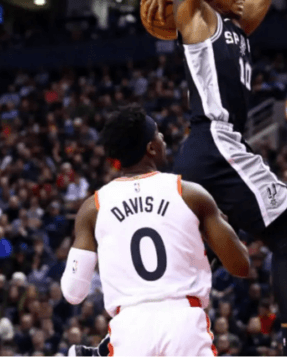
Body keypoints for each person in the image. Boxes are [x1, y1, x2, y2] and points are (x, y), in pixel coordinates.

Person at [142, 0, 287, 355]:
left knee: (196, 265)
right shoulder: (199, 18)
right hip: (219, 144)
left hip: (204, 154)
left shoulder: (238, 25)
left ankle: (112, 341)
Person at [60, 104, 250, 356]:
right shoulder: (190, 194)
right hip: (184, 322)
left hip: (129, 328)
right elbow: (241, 266)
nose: (163, 139)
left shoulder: (92, 208)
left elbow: (73, 293)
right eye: (158, 134)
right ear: (151, 148)